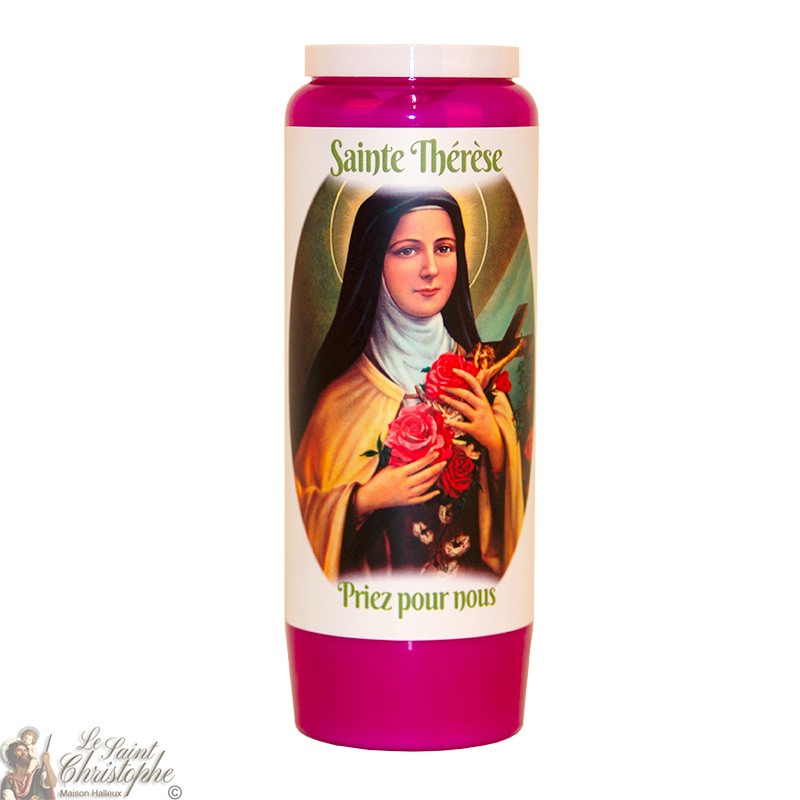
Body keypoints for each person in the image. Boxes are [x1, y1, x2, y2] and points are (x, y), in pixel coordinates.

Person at [293, 186, 525, 580]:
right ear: (375, 262)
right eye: (407, 250)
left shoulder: (479, 383)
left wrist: (495, 443)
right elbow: (301, 517)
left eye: (444, 248)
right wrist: (364, 499)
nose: (430, 268)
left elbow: (512, 534)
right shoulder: (339, 402)